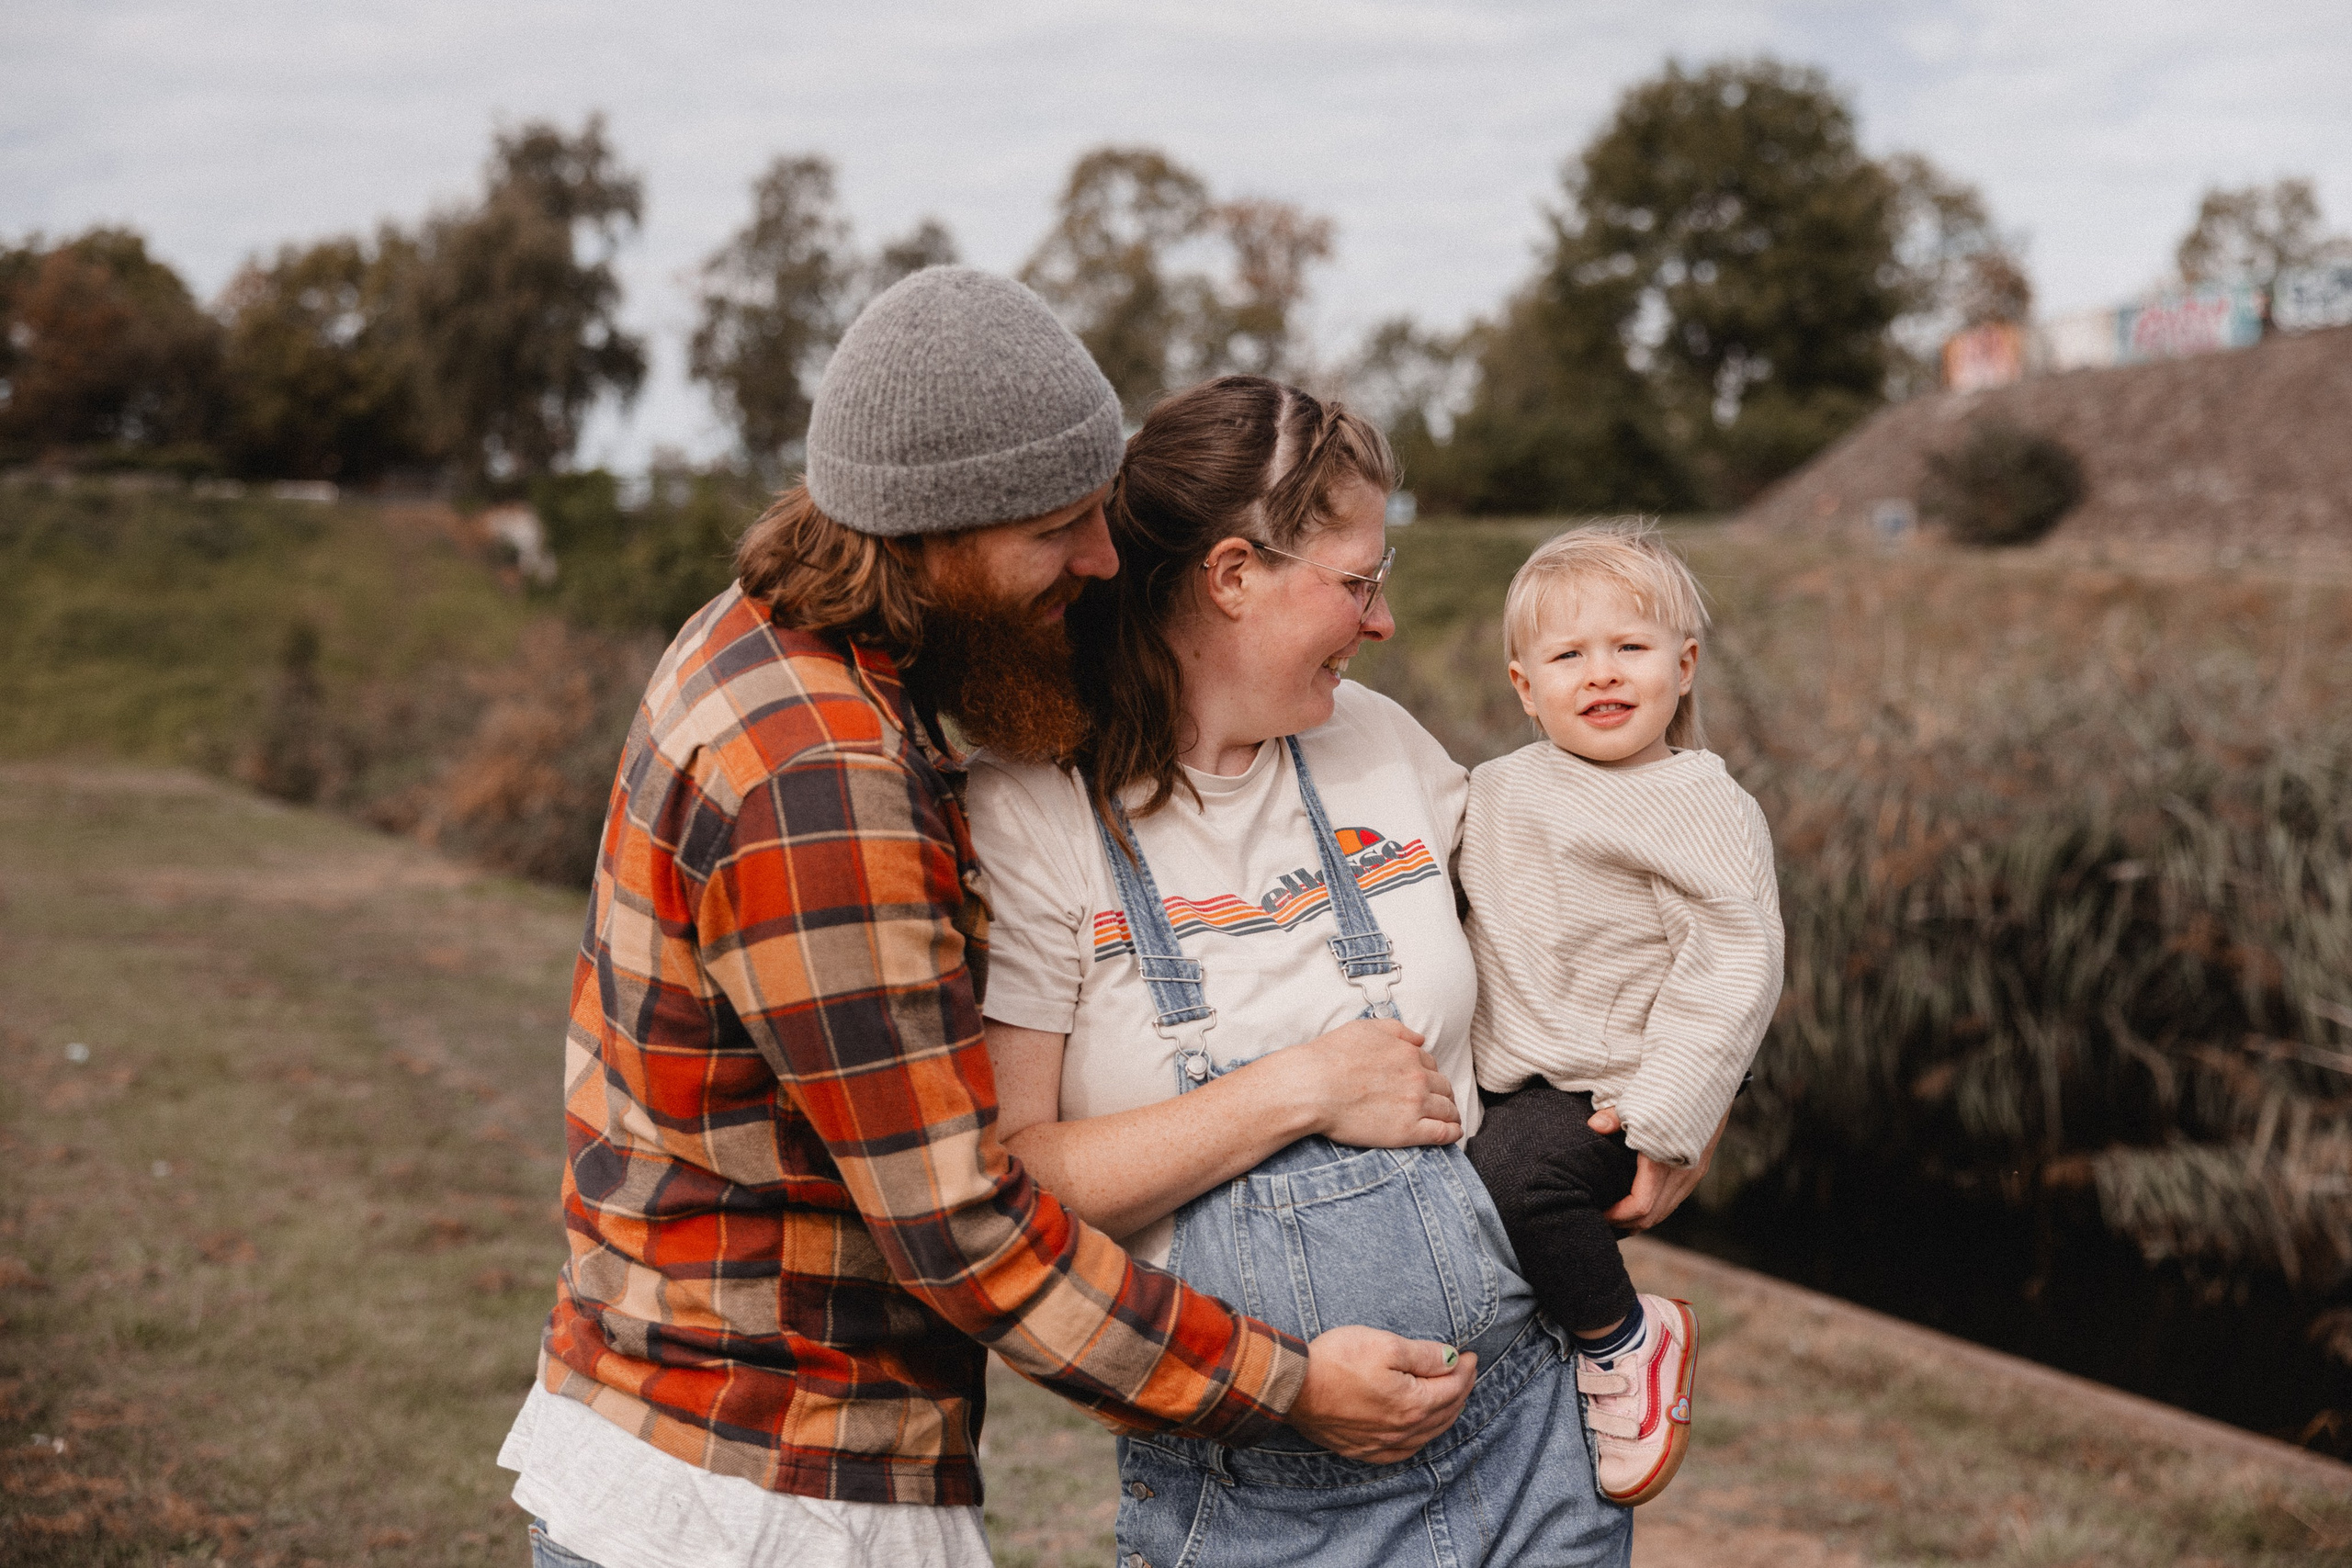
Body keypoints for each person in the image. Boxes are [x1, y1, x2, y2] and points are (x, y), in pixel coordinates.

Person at [495, 271, 1474, 1568]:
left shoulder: (757, 643)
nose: (1103, 560)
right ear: (927, 535)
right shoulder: (823, 778)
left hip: (723, 1438)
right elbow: (964, 1227)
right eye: (1059, 529)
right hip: (768, 1484)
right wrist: (1286, 1381)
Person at [967, 375, 1636, 1566]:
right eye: (1357, 583)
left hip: (1528, 1448)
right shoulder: (1031, 810)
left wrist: (1684, 1099)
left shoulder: (1378, 739)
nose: (1382, 622)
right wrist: (1303, 1088)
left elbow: (1588, 943)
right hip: (1256, 1505)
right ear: (1234, 575)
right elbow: (1016, 1179)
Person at [1460, 523, 1783, 1506]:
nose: (1600, 672)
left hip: (1612, 1091)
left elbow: (1732, 963)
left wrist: (1666, 1118)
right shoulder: (1495, 788)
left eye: (1630, 647)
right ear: (1525, 687)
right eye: (1568, 656)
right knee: (1472, 1180)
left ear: (1682, 668)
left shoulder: (1700, 803)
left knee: (1522, 1180)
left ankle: (1626, 1340)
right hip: (1502, 1075)